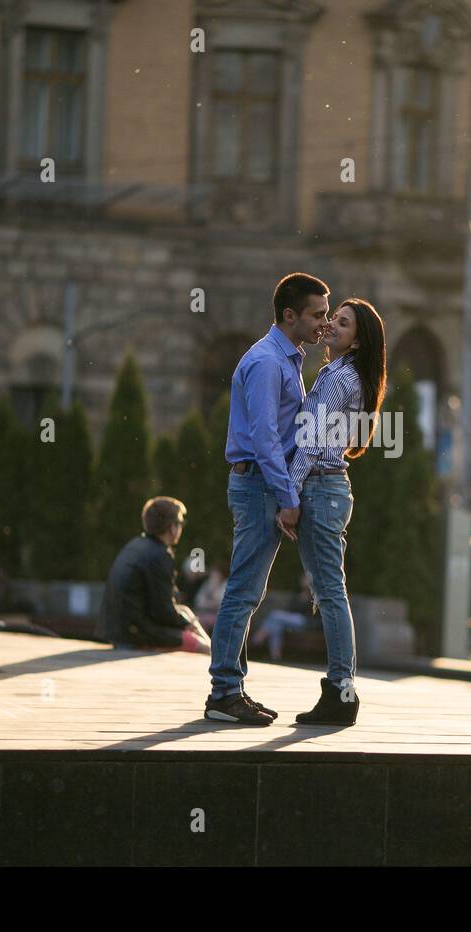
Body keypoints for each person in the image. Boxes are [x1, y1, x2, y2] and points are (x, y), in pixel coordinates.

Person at [204, 272, 329, 725]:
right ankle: (223, 693)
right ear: (289, 315)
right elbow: (264, 438)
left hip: (262, 484)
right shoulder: (266, 363)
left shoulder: (287, 358)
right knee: (242, 591)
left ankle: (232, 687)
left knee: (249, 591)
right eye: (317, 315)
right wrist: (287, 495)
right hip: (259, 484)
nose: (324, 323)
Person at [286, 297, 387, 725]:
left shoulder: (336, 377)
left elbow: (309, 440)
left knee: (329, 594)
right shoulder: (350, 375)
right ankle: (340, 689)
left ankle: (342, 692)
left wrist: (289, 496)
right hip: (332, 488)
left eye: (342, 324)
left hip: (321, 489)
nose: (330, 326)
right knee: (329, 592)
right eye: (331, 319)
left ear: (358, 340)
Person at [97, 496, 210, 653]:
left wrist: (184, 620)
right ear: (172, 527)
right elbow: (162, 611)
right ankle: (216, 655)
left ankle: (215, 651)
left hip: (118, 630)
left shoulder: (136, 545)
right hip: (135, 634)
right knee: (200, 646)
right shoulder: (160, 555)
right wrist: (185, 624)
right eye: (181, 523)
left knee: (184, 611)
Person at [252, 574, 316, 662]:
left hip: (306, 621)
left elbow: (312, 614)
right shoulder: (297, 594)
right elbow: (290, 610)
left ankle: (257, 639)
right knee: (276, 625)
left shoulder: (315, 596)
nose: (304, 581)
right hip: (291, 621)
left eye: (306, 579)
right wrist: (299, 599)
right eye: (303, 578)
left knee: (275, 615)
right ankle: (275, 656)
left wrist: (307, 599)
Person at [192, 562, 228, 631]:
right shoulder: (208, 584)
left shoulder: (225, 585)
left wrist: (209, 602)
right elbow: (198, 601)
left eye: (215, 576)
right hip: (204, 612)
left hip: (219, 616)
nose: (212, 578)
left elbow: (219, 604)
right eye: (211, 576)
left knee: (200, 621)